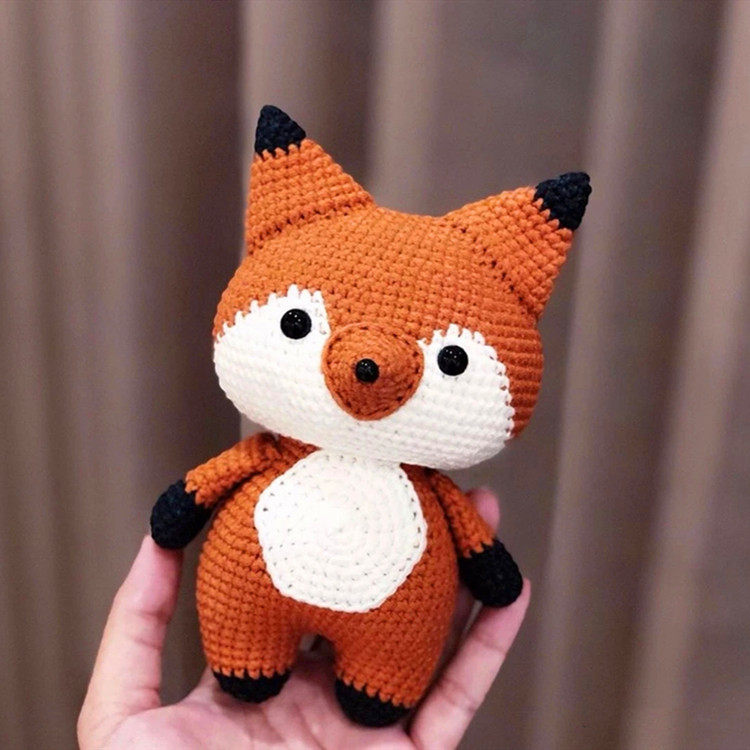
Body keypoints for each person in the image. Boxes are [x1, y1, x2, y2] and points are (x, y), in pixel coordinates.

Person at [78, 488, 529, 749]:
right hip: (254, 595)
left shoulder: (432, 492)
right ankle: (250, 667)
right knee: (245, 658)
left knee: (380, 691)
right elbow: (192, 497)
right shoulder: (267, 453)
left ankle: (374, 690)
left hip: (391, 623)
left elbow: (484, 557)